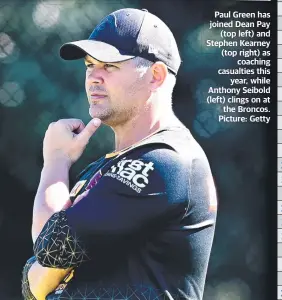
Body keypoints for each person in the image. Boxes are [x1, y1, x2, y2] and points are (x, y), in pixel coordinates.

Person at [21, 8, 217, 300]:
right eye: (89, 65)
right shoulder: (107, 166)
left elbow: (49, 250)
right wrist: (41, 267)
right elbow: (33, 284)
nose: (93, 78)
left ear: (156, 75)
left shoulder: (166, 161)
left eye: (109, 66)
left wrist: (57, 161)